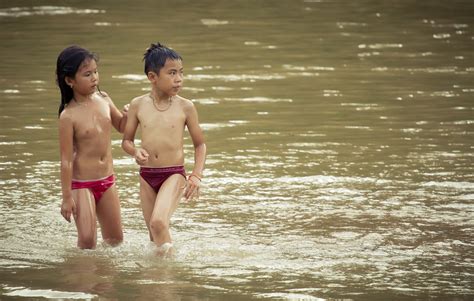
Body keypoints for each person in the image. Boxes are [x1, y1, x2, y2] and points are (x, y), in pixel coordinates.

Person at [122, 42, 206, 255]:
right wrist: (134, 152)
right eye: (172, 73)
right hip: (146, 175)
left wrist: (195, 176)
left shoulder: (185, 106)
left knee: (158, 222)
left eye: (181, 73)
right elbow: (127, 141)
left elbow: (200, 144)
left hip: (173, 174)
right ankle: (158, 280)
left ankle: (169, 275)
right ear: (152, 77)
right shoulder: (138, 105)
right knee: (153, 234)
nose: (179, 79)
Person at [57, 45, 127, 249]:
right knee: (87, 240)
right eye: (87, 74)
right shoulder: (68, 116)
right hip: (82, 184)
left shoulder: (104, 99)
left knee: (116, 240)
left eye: (95, 71)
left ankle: (105, 278)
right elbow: (66, 159)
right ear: (70, 81)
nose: (94, 77)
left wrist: (129, 114)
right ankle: (83, 278)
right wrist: (67, 197)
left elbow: (121, 127)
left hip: (107, 180)